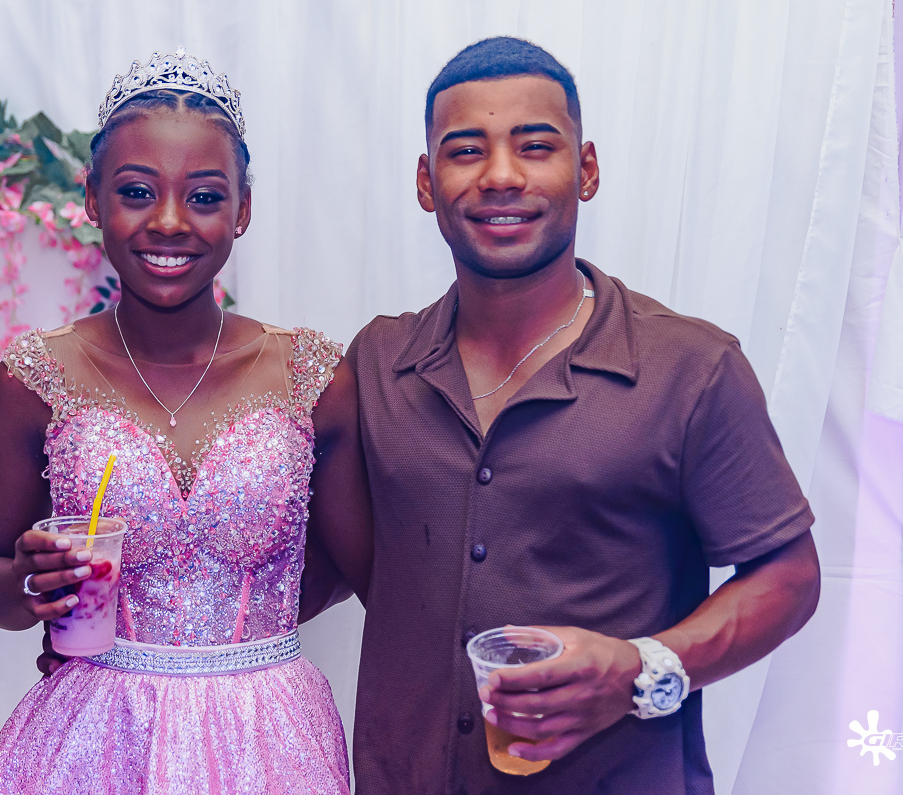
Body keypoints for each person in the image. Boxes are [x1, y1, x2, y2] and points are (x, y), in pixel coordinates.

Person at [336, 37, 821, 793]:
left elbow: (789, 575)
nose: (501, 176)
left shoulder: (691, 368)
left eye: (535, 147)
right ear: (427, 182)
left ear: (586, 170)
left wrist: (640, 667)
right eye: (466, 152)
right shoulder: (376, 363)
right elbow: (355, 568)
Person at [0, 49, 370, 794]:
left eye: (205, 196)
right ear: (93, 199)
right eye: (135, 191)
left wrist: (249, 631)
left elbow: (360, 563)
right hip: (93, 735)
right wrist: (29, 578)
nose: (168, 222)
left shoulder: (312, 374)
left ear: (242, 210)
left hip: (268, 735)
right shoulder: (33, 377)